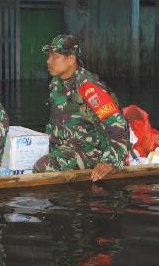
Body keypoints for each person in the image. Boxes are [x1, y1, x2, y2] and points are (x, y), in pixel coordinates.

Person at [33, 34, 130, 181]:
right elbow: (54, 123)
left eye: (54, 57)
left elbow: (117, 124)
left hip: (91, 150)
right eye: (49, 56)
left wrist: (110, 161)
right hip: (65, 146)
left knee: (43, 166)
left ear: (71, 59)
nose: (49, 61)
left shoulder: (88, 87)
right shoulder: (57, 84)